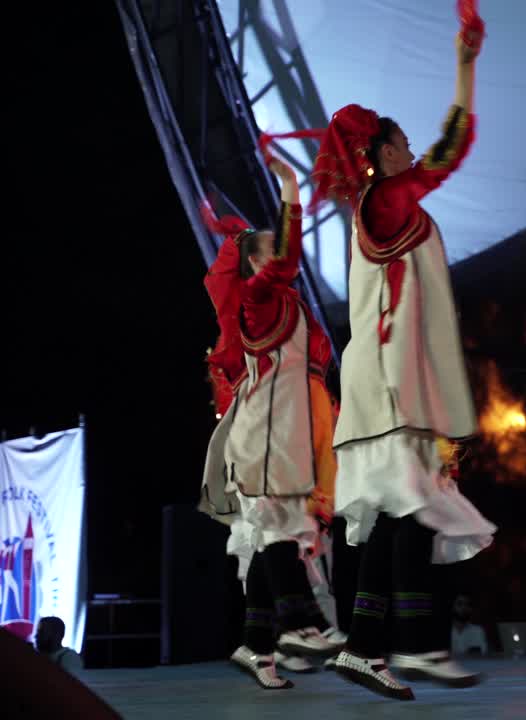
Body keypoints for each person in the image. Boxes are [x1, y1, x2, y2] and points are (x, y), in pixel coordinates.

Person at [311, 20, 495, 700]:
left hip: (390, 385)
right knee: (409, 511)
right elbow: (449, 153)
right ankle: (417, 646)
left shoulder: (382, 206)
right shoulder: (385, 202)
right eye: (400, 142)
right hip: (387, 387)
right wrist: (464, 68)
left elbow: (441, 153)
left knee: (400, 515)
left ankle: (370, 648)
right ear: (381, 154)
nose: (411, 148)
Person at [199, 157, 344, 690]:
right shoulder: (259, 299)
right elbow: (286, 258)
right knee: (280, 534)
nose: (284, 256)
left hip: (292, 430)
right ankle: (302, 623)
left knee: (271, 541)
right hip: (264, 434)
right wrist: (289, 189)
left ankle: (257, 646)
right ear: (256, 264)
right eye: (272, 249)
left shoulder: (289, 304)